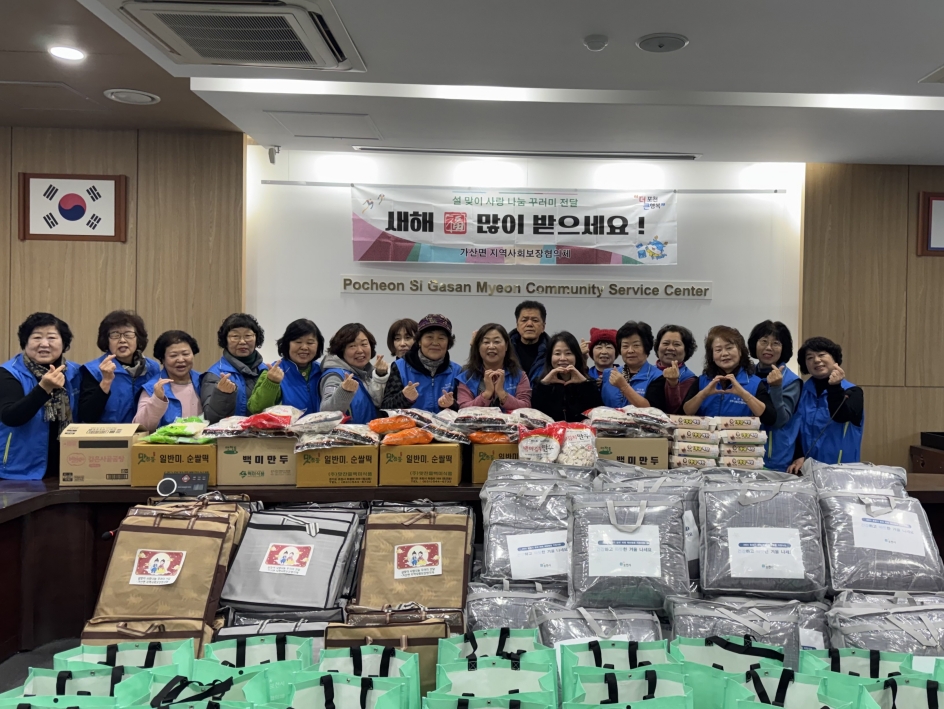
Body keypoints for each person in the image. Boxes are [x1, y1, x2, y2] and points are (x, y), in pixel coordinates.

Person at [0, 313, 81, 479]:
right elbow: (11, 417)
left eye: (52, 337)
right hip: (18, 469)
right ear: (25, 342)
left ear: (64, 343)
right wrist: (44, 388)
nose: (44, 344)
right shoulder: (9, 373)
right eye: (36, 337)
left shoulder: (76, 372)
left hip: (68, 468)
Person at [787, 337, 865, 473]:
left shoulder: (853, 392)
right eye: (810, 357)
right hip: (806, 469)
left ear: (834, 359)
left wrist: (835, 387)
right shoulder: (801, 391)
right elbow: (793, 428)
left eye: (822, 355)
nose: (816, 360)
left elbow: (841, 416)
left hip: (841, 471)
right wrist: (798, 455)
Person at [682, 325, 777, 425]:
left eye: (729, 348)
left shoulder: (755, 383)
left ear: (740, 351)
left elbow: (770, 418)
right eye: (718, 350)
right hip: (707, 435)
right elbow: (684, 413)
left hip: (741, 435)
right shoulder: (702, 381)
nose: (724, 354)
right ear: (712, 356)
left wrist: (743, 394)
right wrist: (703, 394)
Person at [80, 311, 161, 424]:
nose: (122, 340)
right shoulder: (93, 370)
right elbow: (87, 417)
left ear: (138, 338)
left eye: (128, 334)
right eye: (115, 335)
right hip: (107, 434)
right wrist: (106, 382)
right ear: (106, 340)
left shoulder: (152, 368)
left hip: (144, 433)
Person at [749, 320, 802, 472]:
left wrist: (776, 387)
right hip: (744, 454)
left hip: (775, 458)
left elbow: (779, 420)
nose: (768, 348)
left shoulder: (791, 380)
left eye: (776, 343)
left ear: (784, 348)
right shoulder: (746, 375)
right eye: (764, 341)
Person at [382, 314, 462, 413]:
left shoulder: (457, 371)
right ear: (419, 341)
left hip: (446, 423)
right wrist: (404, 397)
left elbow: (466, 409)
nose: (435, 343)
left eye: (441, 338)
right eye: (429, 337)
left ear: (448, 343)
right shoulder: (399, 367)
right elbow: (385, 408)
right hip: (409, 423)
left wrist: (452, 405)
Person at [248, 319, 324, 415]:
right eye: (298, 342)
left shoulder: (322, 371)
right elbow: (255, 408)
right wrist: (271, 383)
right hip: (285, 425)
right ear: (287, 344)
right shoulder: (273, 371)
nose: (304, 347)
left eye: (310, 343)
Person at [201, 313, 267, 423]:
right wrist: (222, 394)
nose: (242, 342)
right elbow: (210, 418)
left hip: (264, 433)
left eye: (248, 336)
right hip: (232, 434)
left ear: (256, 338)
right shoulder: (215, 374)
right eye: (235, 336)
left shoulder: (266, 370)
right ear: (225, 340)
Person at [320, 323, 389, 424]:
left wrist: (380, 376)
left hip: (370, 432)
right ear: (341, 351)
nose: (360, 350)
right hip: (345, 433)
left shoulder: (368, 373)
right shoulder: (335, 375)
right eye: (352, 346)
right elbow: (325, 412)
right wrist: (344, 391)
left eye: (364, 344)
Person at [135, 331, 203, 432]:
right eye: (173, 355)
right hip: (166, 442)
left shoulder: (204, 381)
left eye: (185, 354)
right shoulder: (153, 387)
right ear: (162, 359)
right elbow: (141, 427)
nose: (181, 359)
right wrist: (157, 399)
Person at [457, 324, 531, 411]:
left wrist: (502, 393)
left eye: (497, 342)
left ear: (506, 346)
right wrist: (487, 393)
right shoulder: (467, 376)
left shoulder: (519, 375)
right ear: (478, 347)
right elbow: (463, 408)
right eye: (486, 342)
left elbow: (526, 406)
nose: (491, 346)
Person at [530, 332, 602, 422]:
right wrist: (544, 385)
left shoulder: (588, 383)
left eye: (568, 353)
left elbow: (597, 413)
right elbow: (535, 414)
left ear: (576, 356)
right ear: (550, 357)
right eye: (557, 354)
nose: (563, 358)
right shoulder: (540, 383)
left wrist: (584, 383)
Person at [600, 321, 659, 408]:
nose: (630, 350)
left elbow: (650, 409)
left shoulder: (657, 376)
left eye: (636, 345)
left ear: (646, 348)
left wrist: (623, 386)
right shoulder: (608, 374)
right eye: (625, 346)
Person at [644, 324, 699, 415]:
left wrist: (673, 384)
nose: (670, 348)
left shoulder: (690, 379)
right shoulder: (646, 372)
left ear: (686, 350)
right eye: (665, 343)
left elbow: (678, 412)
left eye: (677, 344)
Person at [509, 300, 549, 387]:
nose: (529, 324)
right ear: (517, 325)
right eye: (524, 320)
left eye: (535, 320)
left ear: (543, 326)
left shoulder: (552, 352)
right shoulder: (505, 350)